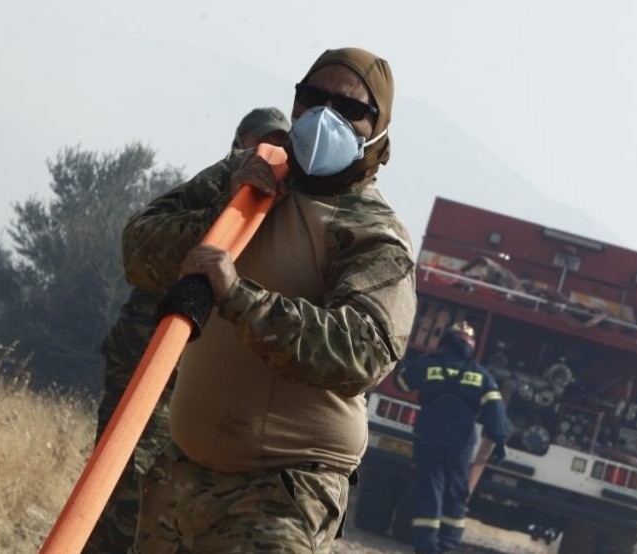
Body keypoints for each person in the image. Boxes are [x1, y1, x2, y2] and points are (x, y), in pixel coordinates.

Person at [122, 47, 417, 553]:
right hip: (182, 477)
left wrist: (238, 297)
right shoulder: (247, 173)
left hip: (282, 491)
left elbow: (361, 353)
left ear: (379, 129)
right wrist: (218, 217)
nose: (326, 116)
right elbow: (139, 251)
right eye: (313, 98)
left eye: (349, 109)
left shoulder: (372, 234)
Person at [82, 107, 291, 554]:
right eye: (260, 142)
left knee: (176, 503)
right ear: (239, 142)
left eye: (279, 146)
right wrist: (223, 215)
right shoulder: (210, 189)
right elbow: (142, 249)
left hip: (210, 388)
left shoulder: (285, 210)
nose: (267, 154)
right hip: (148, 363)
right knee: (123, 486)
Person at [395, 321, 509, 554]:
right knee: (457, 493)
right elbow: (496, 409)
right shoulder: (480, 375)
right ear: (472, 346)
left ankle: (427, 547)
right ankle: (447, 546)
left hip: (430, 438)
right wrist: (499, 440)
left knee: (430, 490)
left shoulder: (429, 365)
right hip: (461, 445)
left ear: (445, 342)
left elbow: (402, 383)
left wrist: (410, 360)